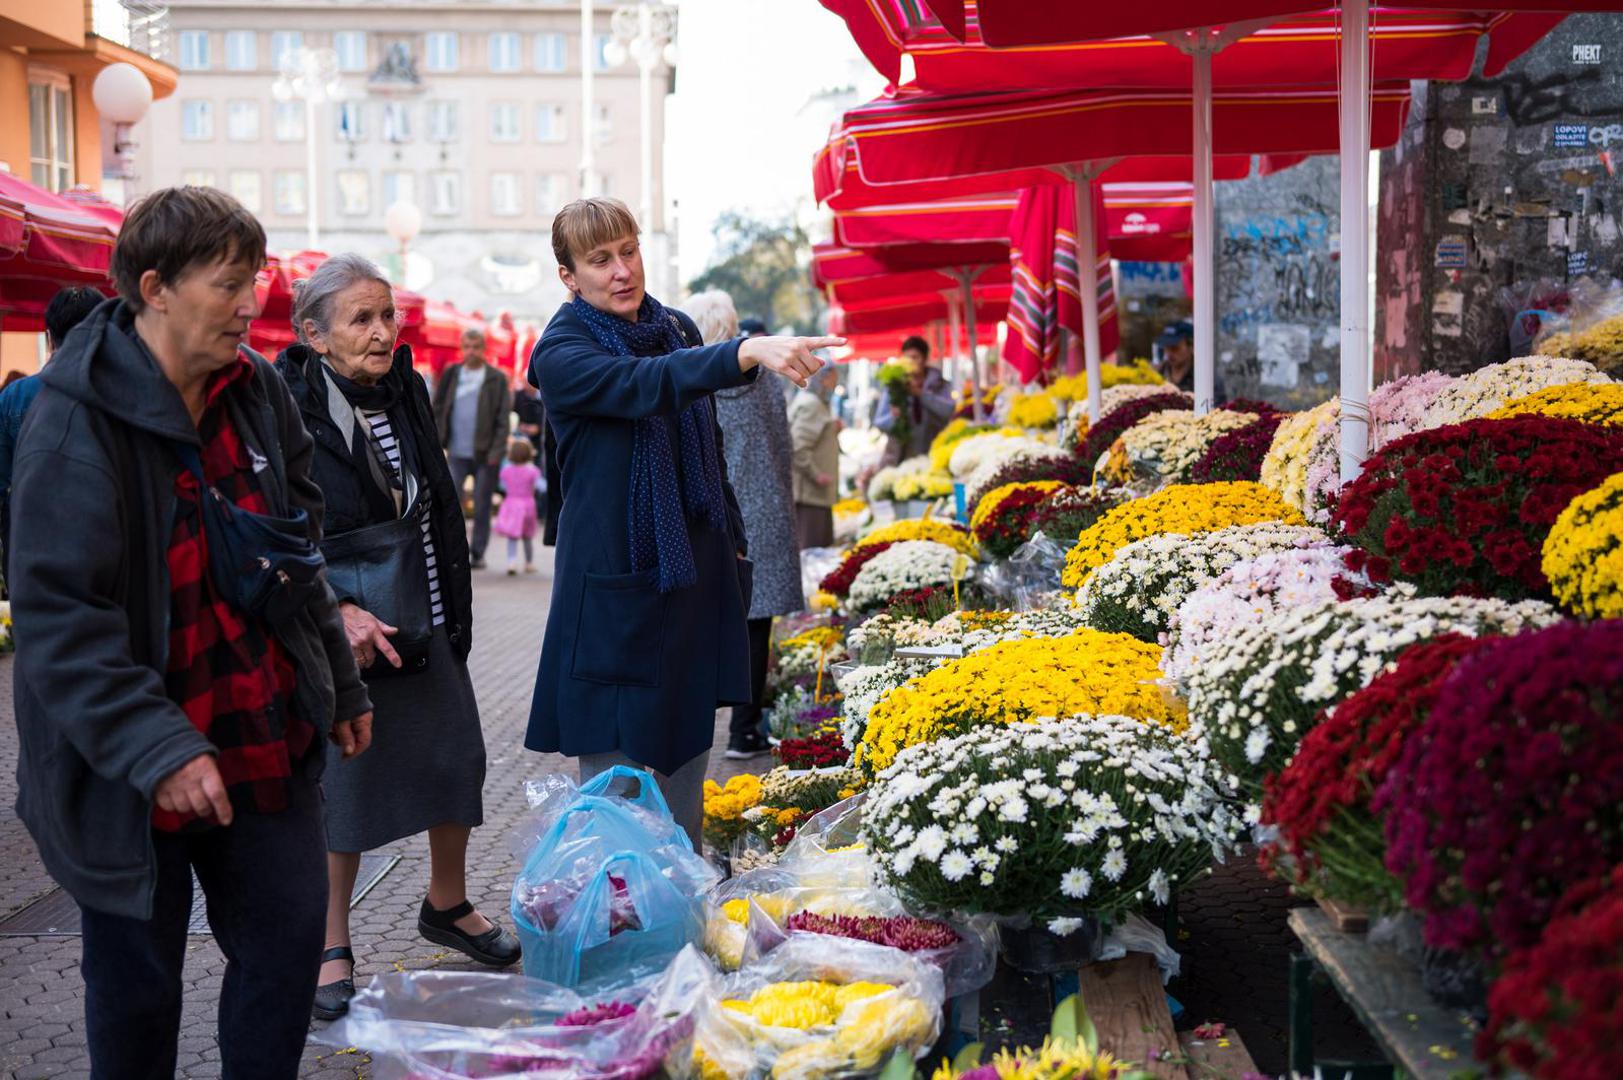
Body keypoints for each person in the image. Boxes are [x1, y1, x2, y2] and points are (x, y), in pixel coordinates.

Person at [10, 186, 373, 1077]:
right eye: (228, 284)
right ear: (154, 287)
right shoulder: (71, 419)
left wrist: (339, 675)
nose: (251, 303)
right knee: (137, 995)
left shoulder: (258, 395)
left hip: (259, 733)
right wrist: (159, 748)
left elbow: (298, 548)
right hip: (126, 766)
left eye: (255, 280)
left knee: (288, 949)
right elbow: (62, 619)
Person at [528, 197, 837, 846]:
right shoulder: (561, 352)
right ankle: (619, 932)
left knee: (683, 790)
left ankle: (684, 925)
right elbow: (645, 384)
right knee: (613, 802)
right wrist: (745, 351)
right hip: (613, 590)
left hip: (690, 576)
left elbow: (708, 446)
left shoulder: (676, 328)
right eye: (599, 259)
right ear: (568, 276)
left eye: (628, 250)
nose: (620, 270)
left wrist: (735, 542)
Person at [274, 254, 517, 1022]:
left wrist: (455, 604)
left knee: (455, 756)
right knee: (347, 778)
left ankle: (445, 905)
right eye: (361, 320)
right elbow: (285, 526)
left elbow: (435, 495)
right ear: (313, 334)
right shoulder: (289, 402)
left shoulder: (406, 385)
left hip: (427, 605)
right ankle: (328, 939)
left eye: (387, 316)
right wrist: (332, 610)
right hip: (350, 618)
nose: (383, 333)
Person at [683, 290, 806, 760]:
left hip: (709, 513)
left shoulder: (689, 382)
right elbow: (783, 442)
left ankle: (695, 727)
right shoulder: (764, 381)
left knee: (701, 625)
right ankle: (744, 729)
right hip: (765, 508)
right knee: (757, 628)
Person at [0, 285, 104, 566]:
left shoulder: (13, 397)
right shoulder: (125, 397)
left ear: (49, 338)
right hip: (103, 543)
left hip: (29, 546)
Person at [432, 327, 512, 569]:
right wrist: (437, 440)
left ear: (484, 349)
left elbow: (502, 418)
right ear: (461, 348)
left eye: (476, 347)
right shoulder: (453, 373)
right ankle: (455, 551)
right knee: (452, 504)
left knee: (481, 504)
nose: (472, 352)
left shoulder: (495, 378)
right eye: (467, 347)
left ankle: (478, 552)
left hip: (485, 454)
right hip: (456, 451)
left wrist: (496, 452)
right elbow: (438, 407)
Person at [873, 335, 954, 462]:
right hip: (899, 459)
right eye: (907, 357)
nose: (911, 361)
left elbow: (949, 411)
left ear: (925, 359)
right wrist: (894, 416)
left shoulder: (939, 384)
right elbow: (879, 422)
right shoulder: (894, 387)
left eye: (915, 357)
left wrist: (921, 394)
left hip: (934, 455)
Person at [789, 364, 841, 549]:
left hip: (816, 494)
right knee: (812, 553)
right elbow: (798, 447)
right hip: (811, 494)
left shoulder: (814, 403)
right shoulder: (812, 405)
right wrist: (816, 474)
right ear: (823, 379)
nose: (835, 385)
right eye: (833, 379)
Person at [495, 437, 542, 574]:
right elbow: (541, 486)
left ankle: (511, 563)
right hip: (528, 505)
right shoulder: (532, 470)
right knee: (527, 536)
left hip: (511, 504)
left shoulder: (506, 470)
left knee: (512, 536)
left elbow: (502, 485)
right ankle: (529, 563)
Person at [1154, 319, 1228, 406]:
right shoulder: (1157, 374)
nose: (1169, 353)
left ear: (1192, 346)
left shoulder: (1206, 379)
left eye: (1175, 348)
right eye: (1166, 347)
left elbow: (1217, 408)